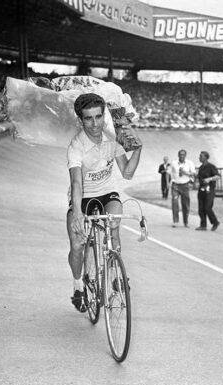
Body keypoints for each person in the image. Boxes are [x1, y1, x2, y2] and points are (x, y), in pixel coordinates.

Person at [67, 93, 142, 312]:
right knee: (77, 245)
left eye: (98, 117)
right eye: (88, 119)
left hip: (107, 192)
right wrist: (78, 214)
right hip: (85, 195)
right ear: (81, 120)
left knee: (114, 226)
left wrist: (138, 149)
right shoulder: (76, 146)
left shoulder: (112, 138)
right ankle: (78, 286)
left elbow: (127, 173)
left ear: (104, 116)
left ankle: (116, 273)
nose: (94, 124)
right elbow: (76, 182)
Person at [167, 149, 195, 228]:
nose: (181, 156)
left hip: (185, 185)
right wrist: (167, 182)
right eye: (180, 155)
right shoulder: (173, 163)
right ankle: (175, 221)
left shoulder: (189, 163)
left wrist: (185, 172)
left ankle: (186, 222)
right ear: (178, 155)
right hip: (175, 185)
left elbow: (193, 173)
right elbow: (168, 172)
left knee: (185, 204)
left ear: (185, 155)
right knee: (175, 202)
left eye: (183, 155)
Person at [195, 151, 220, 231]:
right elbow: (198, 177)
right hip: (201, 189)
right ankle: (203, 225)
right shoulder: (201, 167)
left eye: (201, 156)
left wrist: (210, 179)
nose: (200, 158)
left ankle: (215, 222)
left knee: (207, 207)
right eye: (199, 156)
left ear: (206, 157)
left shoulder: (211, 166)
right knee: (201, 208)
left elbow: (218, 176)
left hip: (210, 189)